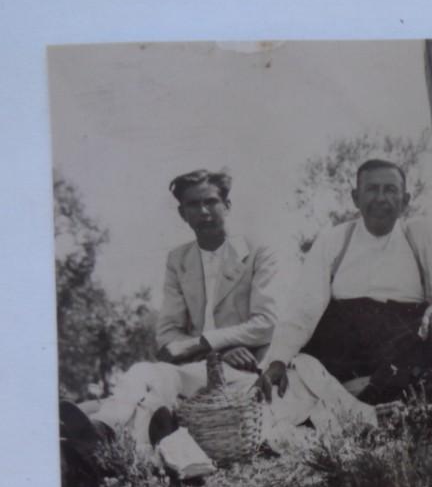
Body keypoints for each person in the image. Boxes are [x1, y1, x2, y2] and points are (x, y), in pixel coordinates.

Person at [67, 169, 284, 454]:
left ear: (227, 206)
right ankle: (102, 430)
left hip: (245, 370)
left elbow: (266, 322)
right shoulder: (179, 259)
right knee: (146, 377)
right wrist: (215, 353)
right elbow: (168, 336)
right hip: (197, 369)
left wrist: (203, 342)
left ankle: (99, 435)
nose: (203, 211)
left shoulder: (257, 251)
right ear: (182, 214)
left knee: (150, 391)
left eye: (211, 201)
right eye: (193, 205)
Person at [257, 159, 432, 406]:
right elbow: (304, 306)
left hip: (403, 345)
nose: (381, 198)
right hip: (343, 350)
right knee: (297, 378)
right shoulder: (333, 241)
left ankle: (370, 396)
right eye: (372, 189)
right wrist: (278, 359)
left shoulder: (418, 234)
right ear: (356, 198)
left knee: (416, 360)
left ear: (405, 200)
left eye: (390, 190)